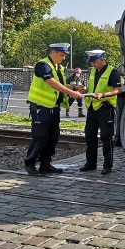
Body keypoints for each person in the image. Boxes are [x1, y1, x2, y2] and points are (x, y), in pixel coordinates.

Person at [25, 43, 84, 175]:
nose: (63, 58)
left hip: (53, 108)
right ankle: (29, 163)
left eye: (64, 55)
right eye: (62, 55)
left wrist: (73, 88)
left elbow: (60, 85)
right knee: (40, 137)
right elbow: (51, 82)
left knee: (52, 138)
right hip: (41, 108)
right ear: (54, 52)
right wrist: (72, 93)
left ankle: (45, 164)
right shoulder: (43, 65)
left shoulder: (59, 67)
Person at [79, 49, 122, 175]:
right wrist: (83, 90)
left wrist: (103, 95)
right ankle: (90, 163)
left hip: (105, 108)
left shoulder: (112, 72)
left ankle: (107, 165)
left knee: (106, 137)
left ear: (102, 59)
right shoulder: (93, 71)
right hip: (92, 108)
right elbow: (92, 87)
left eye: (94, 62)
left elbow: (118, 90)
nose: (92, 64)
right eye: (91, 62)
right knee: (90, 136)